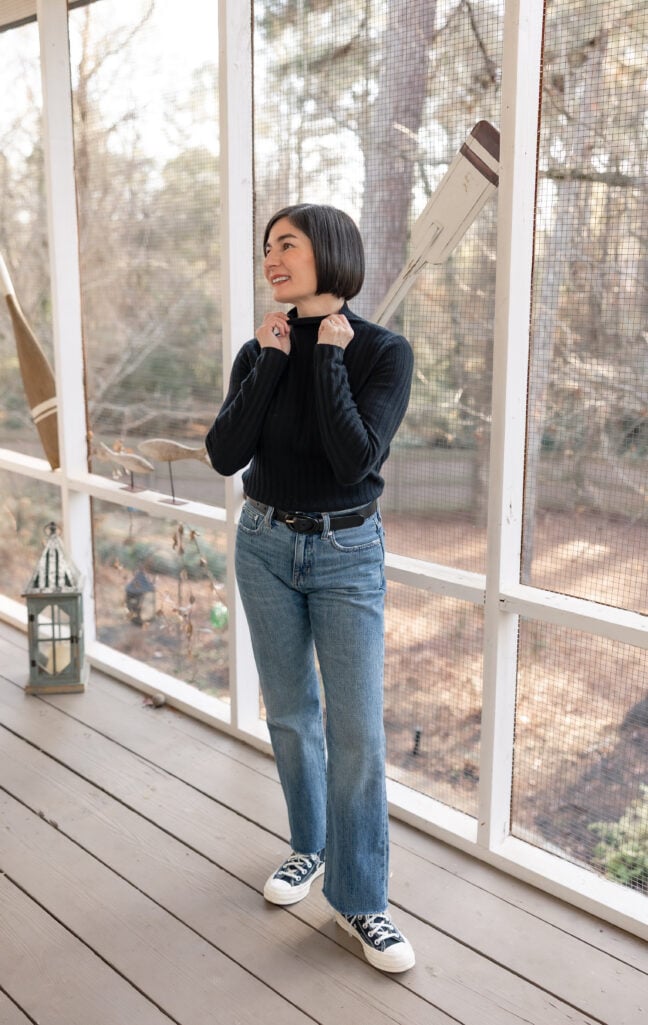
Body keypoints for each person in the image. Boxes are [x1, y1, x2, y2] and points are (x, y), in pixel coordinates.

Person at [206, 203, 415, 973]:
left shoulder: (384, 352)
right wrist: (269, 364)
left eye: (285, 244)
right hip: (263, 543)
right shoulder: (259, 349)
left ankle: (363, 901)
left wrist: (326, 357)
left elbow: (354, 458)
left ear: (328, 251)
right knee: (292, 714)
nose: (271, 258)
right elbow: (226, 454)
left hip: (346, 552)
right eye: (266, 247)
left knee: (356, 731)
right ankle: (310, 848)